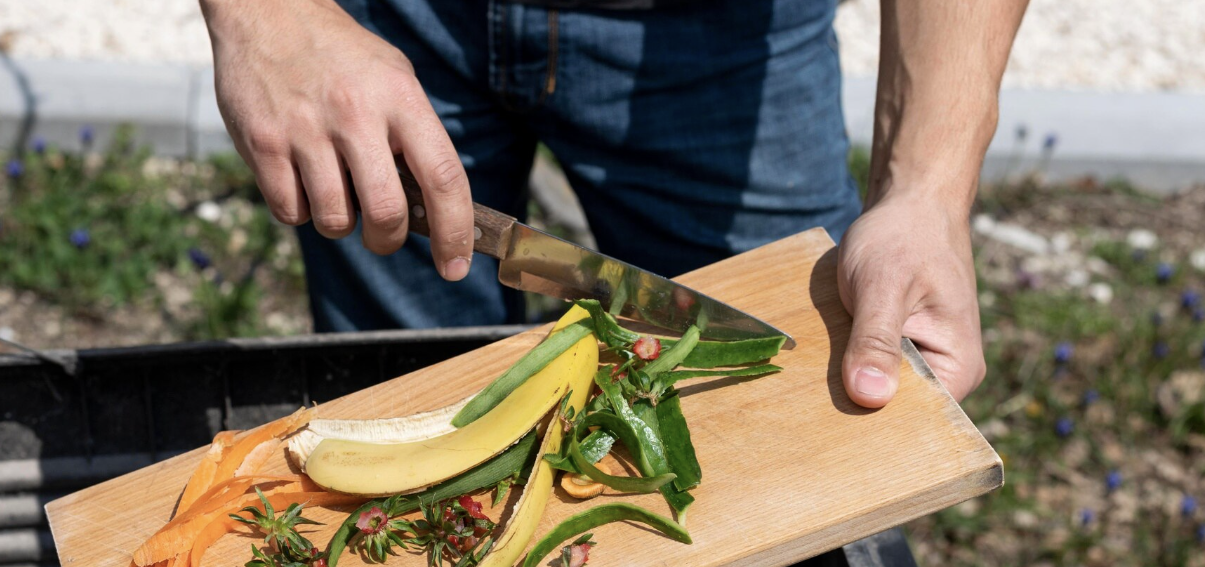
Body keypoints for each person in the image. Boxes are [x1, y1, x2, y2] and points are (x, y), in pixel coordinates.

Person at [198, 0, 1027, 409]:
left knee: (811, 407)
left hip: (722, 37)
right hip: (363, 30)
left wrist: (927, 185)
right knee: (409, 408)